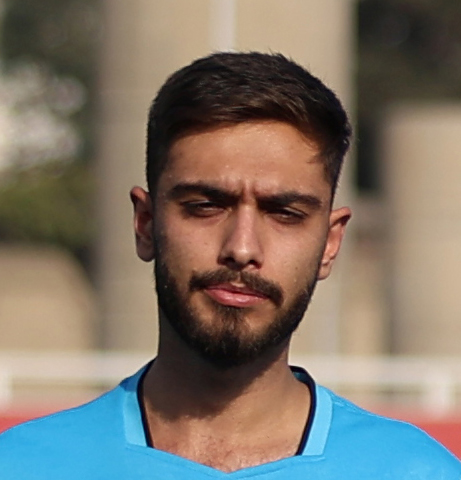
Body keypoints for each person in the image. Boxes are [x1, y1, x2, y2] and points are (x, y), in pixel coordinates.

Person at [1, 52, 460, 479]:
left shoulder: (418, 471)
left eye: (284, 213)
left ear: (330, 243)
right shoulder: (23, 465)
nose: (241, 248)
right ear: (145, 223)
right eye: (205, 206)